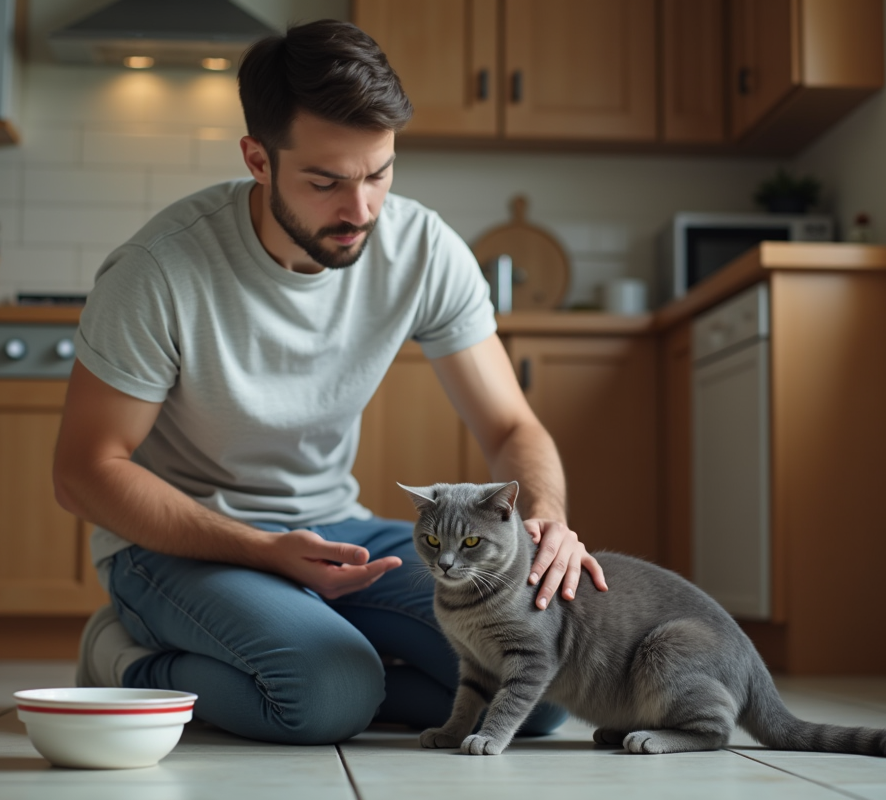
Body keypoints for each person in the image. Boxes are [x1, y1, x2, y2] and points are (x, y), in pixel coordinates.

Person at [52, 19, 607, 746]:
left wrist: (548, 521)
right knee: (323, 698)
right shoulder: (159, 270)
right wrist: (260, 552)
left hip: (333, 527)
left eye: (379, 173)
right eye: (325, 181)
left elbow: (509, 428)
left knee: (539, 690)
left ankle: (321, 647)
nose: (361, 211)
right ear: (257, 159)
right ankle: (124, 656)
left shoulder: (422, 247)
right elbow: (84, 473)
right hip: (178, 545)